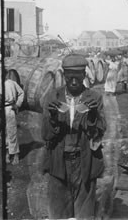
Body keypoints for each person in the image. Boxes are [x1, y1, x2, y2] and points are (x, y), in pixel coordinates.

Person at [42, 54, 106, 219]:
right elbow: (46, 135)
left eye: (78, 77)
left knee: (84, 212)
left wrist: (92, 117)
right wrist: (53, 118)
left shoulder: (94, 98)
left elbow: (99, 133)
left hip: (84, 160)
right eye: (70, 77)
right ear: (64, 76)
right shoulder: (52, 97)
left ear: (84, 75)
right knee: (58, 211)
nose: (74, 82)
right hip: (59, 160)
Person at [0, 71, 24, 163]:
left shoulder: (12, 83)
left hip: (10, 108)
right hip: (0, 109)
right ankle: (7, 154)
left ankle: (15, 155)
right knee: (4, 132)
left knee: (12, 132)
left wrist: (18, 104)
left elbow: (21, 93)